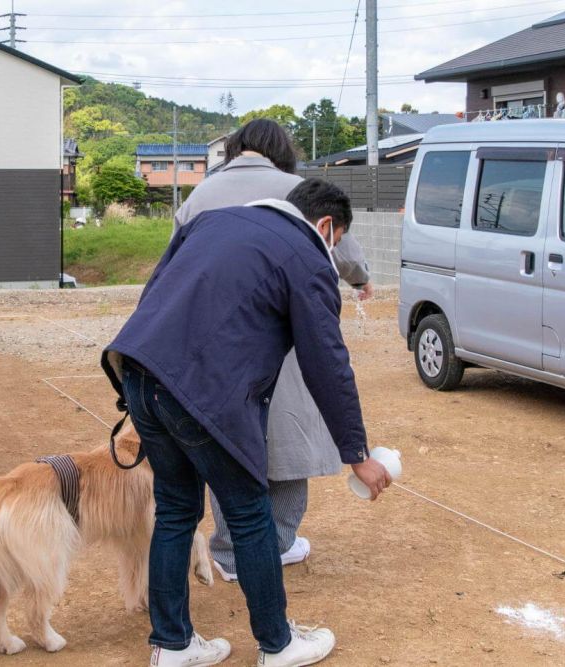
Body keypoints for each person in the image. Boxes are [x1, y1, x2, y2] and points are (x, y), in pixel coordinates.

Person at [102, 178, 390, 667]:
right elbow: (327, 361)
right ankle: (277, 644)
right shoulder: (306, 255)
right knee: (250, 514)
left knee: (175, 510)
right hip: (200, 392)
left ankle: (172, 645)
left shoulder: (209, 222)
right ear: (324, 226)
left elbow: (155, 292)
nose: (333, 254)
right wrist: (357, 454)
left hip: (137, 369)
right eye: (335, 242)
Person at [174, 118, 373, 582]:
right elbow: (341, 251)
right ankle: (276, 542)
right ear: (281, 151)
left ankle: (227, 550)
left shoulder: (200, 195)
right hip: (284, 338)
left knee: (227, 440)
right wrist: (361, 279)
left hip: (214, 344)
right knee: (287, 437)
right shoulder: (300, 188)